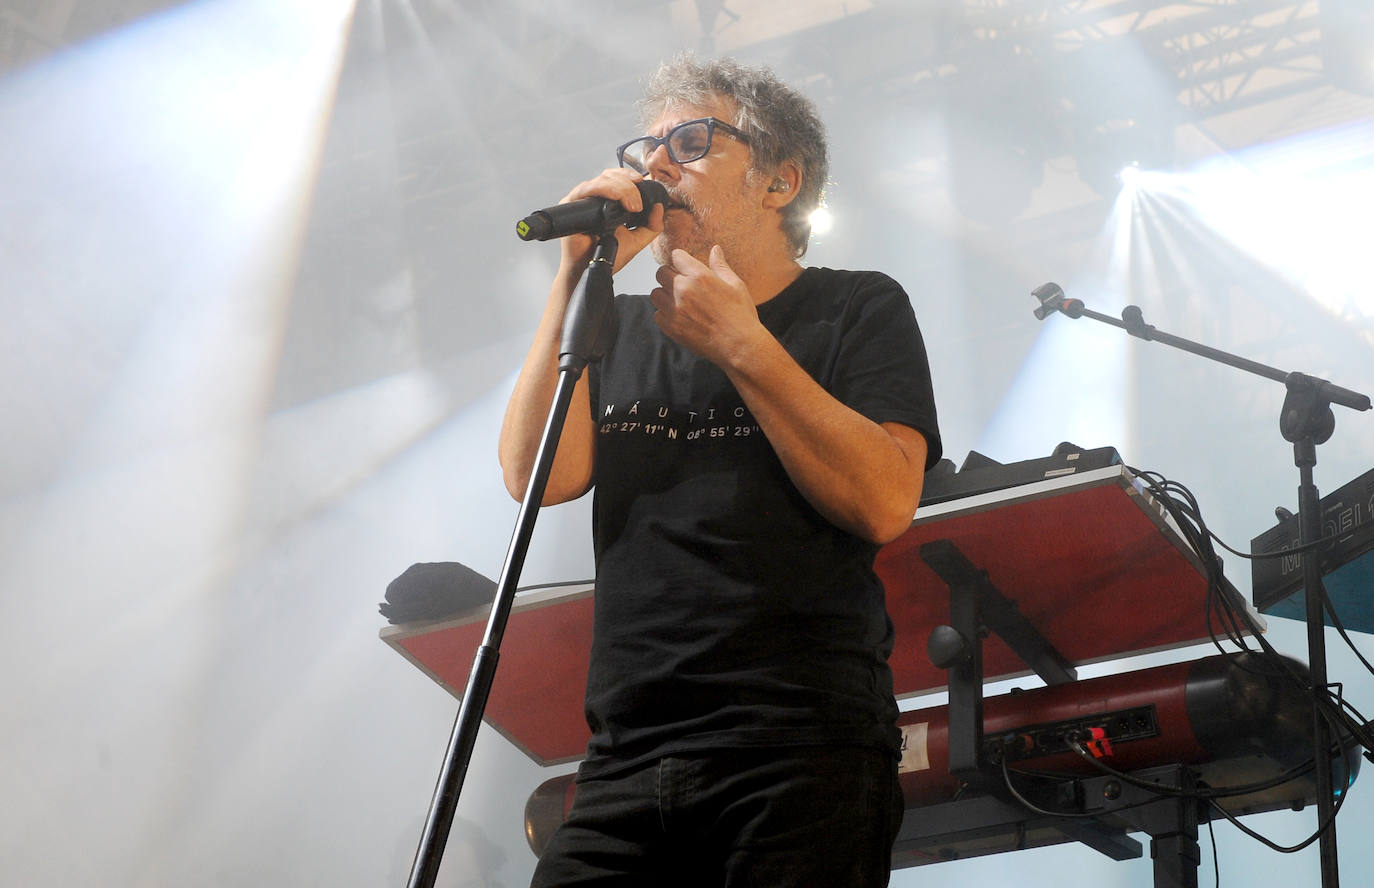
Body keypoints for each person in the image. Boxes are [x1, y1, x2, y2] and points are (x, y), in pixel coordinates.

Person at [499, 54, 941, 888]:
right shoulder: (620, 327)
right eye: (647, 149)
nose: (657, 166)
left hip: (798, 748)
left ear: (779, 183)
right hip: (625, 758)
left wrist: (742, 344)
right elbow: (538, 480)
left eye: (693, 141)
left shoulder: (857, 307)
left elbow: (884, 502)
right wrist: (572, 277)